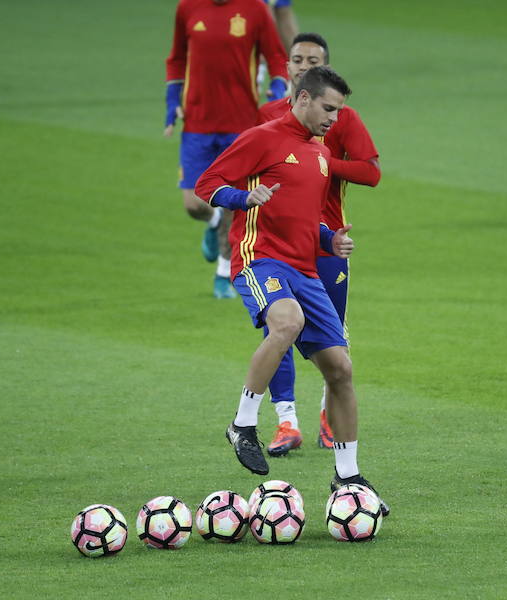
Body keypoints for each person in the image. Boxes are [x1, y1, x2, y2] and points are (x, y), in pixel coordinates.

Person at [195, 66, 389, 515]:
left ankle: (348, 476)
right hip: (261, 258)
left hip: (305, 268)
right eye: (328, 109)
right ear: (302, 99)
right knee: (287, 321)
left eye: (338, 111)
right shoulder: (262, 138)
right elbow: (209, 184)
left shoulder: (319, 153)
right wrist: (245, 198)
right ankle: (243, 425)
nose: (334, 120)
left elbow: (308, 216)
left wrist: (329, 240)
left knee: (340, 369)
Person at [258, 33, 381, 457]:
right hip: (275, 241)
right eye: (296, 59)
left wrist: (324, 162)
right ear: (289, 68)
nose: (302, 66)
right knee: (280, 330)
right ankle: (285, 422)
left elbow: (371, 172)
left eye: (313, 60)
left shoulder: (339, 116)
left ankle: (329, 416)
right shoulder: (266, 118)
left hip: (327, 243)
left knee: (333, 338)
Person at [164, 0, 289, 298]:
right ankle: (214, 219)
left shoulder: (255, 9)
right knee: (194, 204)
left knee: (233, 202)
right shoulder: (188, 8)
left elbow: (274, 54)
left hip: (241, 125)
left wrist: (278, 88)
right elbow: (176, 59)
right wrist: (172, 100)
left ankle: (223, 272)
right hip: (197, 122)